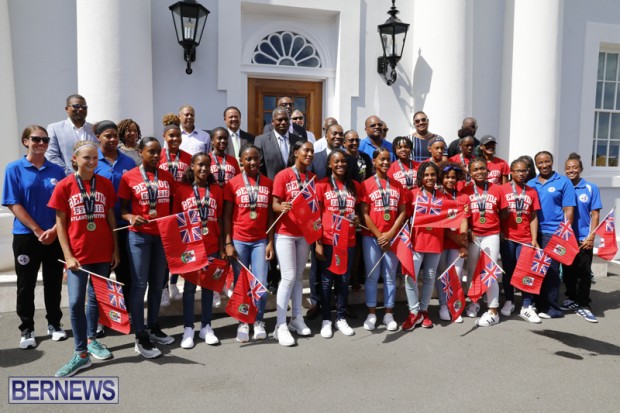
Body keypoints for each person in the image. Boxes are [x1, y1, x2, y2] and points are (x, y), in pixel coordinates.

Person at [49, 140, 119, 377]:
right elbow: (60, 224)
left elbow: (111, 219)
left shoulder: (106, 184)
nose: (91, 162)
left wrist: (115, 250)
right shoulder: (64, 186)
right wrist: (67, 256)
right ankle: (80, 354)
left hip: (102, 251)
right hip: (78, 255)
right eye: (86, 158)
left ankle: (91, 340)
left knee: (95, 299)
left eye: (94, 158)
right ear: (75, 160)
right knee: (76, 302)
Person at [2, 125, 66, 349]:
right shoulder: (14, 168)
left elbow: (64, 205)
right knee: (26, 284)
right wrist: (39, 231)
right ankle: (27, 328)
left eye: (45, 140)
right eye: (36, 139)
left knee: (53, 282)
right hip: (27, 237)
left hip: (54, 235)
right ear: (26, 141)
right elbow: (12, 202)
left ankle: (55, 324)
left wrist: (54, 231)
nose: (41, 143)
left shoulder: (57, 171)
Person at [119, 136, 176, 358]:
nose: (155, 156)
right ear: (140, 152)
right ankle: (140, 333)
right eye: (150, 151)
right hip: (139, 237)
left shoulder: (167, 177)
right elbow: (122, 210)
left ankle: (153, 326)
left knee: (157, 283)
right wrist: (132, 216)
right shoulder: (129, 177)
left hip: (161, 237)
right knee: (139, 284)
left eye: (158, 152)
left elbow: (171, 207)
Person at [223, 144, 274, 342]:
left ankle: (259, 320)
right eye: (248, 159)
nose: (252, 162)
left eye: (255, 158)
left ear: (260, 160)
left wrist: (270, 242)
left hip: (260, 241)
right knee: (241, 284)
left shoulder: (268, 183)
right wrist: (228, 243)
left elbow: (270, 215)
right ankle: (243, 322)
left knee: (260, 283)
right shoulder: (233, 183)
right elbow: (226, 216)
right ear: (240, 161)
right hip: (239, 240)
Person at [175, 152, 224, 348]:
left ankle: (206, 326)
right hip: (189, 247)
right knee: (188, 288)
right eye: (199, 165)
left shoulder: (217, 191)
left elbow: (220, 219)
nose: (203, 169)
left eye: (207, 165)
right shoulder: (182, 191)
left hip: (211, 245)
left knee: (207, 287)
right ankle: (188, 328)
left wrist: (221, 246)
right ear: (192, 166)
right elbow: (175, 221)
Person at [92, 121, 136, 337]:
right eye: (107, 136)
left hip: (125, 226)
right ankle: (101, 318)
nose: (112, 139)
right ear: (98, 136)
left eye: (115, 136)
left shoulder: (128, 161)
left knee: (127, 274)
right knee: (102, 276)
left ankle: (126, 315)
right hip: (100, 229)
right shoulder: (93, 162)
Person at [272, 141, 316, 346]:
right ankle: (280, 324)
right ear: (296, 152)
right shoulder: (283, 175)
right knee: (288, 276)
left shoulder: (311, 177)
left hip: (304, 233)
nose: (309, 154)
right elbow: (274, 204)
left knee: (298, 277)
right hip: (285, 233)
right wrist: (282, 206)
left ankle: (296, 318)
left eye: (312, 151)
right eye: (306, 150)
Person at [360, 147, 407, 332]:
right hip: (372, 238)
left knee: (390, 276)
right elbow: (364, 213)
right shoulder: (366, 184)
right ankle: (371, 313)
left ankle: (389, 313)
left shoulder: (397, 185)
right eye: (382, 159)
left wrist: (390, 234)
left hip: (392, 238)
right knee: (372, 276)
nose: (385, 163)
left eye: (388, 159)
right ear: (374, 161)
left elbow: (402, 212)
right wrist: (380, 236)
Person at [315, 149, 361, 338]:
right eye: (336, 161)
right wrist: (317, 243)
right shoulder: (322, 185)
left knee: (343, 280)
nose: (341, 164)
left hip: (347, 240)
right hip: (328, 240)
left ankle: (341, 317)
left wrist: (357, 219)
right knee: (326, 282)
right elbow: (315, 216)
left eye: (343, 161)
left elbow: (356, 213)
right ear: (329, 164)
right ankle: (326, 319)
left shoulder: (355, 186)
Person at [402, 162, 453, 330]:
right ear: (421, 177)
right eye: (426, 175)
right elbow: (404, 217)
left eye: (432, 174)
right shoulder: (413, 194)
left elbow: (451, 219)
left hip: (435, 243)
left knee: (430, 278)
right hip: (416, 243)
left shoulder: (443, 196)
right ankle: (413, 311)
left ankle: (424, 311)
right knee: (411, 278)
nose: (430, 178)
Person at [528, 151, 575, 319]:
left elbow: (569, 209)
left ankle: (552, 308)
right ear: (536, 165)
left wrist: (564, 233)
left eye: (547, 161)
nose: (544, 165)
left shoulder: (563, 182)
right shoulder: (531, 183)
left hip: (553, 232)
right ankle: (537, 304)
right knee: (536, 269)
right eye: (540, 163)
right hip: (533, 232)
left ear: (552, 162)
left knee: (551, 271)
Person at [462, 158, 505, 326]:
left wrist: (494, 226)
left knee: (489, 270)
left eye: (482, 169)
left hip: (491, 235)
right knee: (472, 270)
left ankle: (493, 310)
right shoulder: (465, 190)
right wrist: (470, 230)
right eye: (475, 170)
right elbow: (463, 215)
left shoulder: (497, 189)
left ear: (487, 171)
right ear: (470, 172)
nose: (479, 172)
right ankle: (474, 302)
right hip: (473, 236)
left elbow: (504, 212)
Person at [498, 159, 542, 323]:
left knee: (525, 271)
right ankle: (509, 300)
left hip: (525, 239)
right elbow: (497, 214)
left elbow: (533, 216)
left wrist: (534, 238)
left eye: (524, 171)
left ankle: (527, 304)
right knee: (509, 270)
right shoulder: (502, 189)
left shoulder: (531, 191)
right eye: (517, 171)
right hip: (508, 238)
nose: (521, 174)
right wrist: (501, 231)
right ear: (511, 171)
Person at [562, 152, 601, 323]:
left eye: (574, 167)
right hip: (567, 238)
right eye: (568, 168)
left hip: (584, 238)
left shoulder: (591, 188)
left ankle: (584, 304)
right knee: (569, 271)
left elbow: (595, 214)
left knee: (584, 273)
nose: (571, 170)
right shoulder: (563, 186)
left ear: (581, 169)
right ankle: (572, 298)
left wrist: (592, 236)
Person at [158, 114, 192, 303]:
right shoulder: (158, 156)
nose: (175, 139)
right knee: (165, 250)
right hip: (163, 207)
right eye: (171, 136)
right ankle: (163, 287)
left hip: (182, 207)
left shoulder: (187, 158)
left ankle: (173, 283)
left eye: (178, 136)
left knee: (180, 248)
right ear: (164, 137)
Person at [435, 162, 469, 323]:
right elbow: (436, 222)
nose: (450, 180)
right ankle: (443, 305)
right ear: (441, 178)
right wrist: (451, 235)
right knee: (442, 275)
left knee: (455, 275)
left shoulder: (464, 197)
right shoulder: (436, 196)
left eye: (453, 177)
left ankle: (454, 305)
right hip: (440, 241)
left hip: (457, 242)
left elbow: (464, 220)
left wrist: (462, 243)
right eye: (447, 177)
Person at [46, 94, 97, 175]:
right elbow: (52, 156)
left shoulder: (94, 129)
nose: (80, 109)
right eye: (76, 106)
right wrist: (72, 175)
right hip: (66, 180)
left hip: (92, 179)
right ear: (66, 109)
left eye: (84, 107)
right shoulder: (54, 128)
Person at [255, 107, 305, 180]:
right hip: (271, 187)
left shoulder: (298, 141)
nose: (283, 122)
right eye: (280, 120)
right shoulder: (261, 141)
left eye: (286, 119)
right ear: (272, 121)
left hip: (294, 187)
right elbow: (258, 167)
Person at [388, 136, 420, 216]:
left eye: (406, 147)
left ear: (411, 148)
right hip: (401, 204)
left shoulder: (419, 166)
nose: (403, 150)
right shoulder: (391, 168)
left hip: (417, 203)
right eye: (399, 147)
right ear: (395, 150)